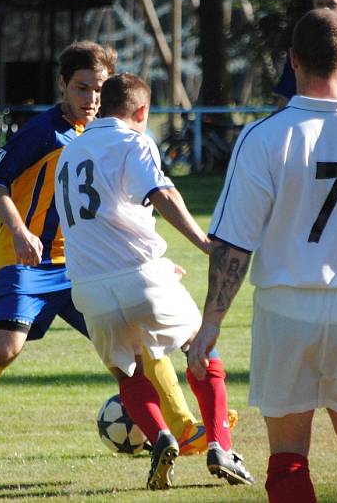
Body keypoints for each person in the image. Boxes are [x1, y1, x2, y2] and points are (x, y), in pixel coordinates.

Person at [188, 9, 337, 502]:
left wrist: (211, 323)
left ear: (292, 61)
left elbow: (233, 243)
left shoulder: (264, 137)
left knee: (288, 451)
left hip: (284, 306)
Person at [0, 41, 215, 459]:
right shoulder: (41, 132)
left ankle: (184, 429)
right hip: (27, 260)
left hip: (84, 263)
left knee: (133, 348)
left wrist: (146, 260)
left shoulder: (108, 134)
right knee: (5, 348)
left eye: (99, 90)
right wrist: (19, 231)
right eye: (82, 88)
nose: (91, 99)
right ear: (63, 85)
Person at [55, 72, 253, 490]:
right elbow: (163, 194)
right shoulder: (134, 141)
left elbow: (99, 222)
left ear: (103, 105)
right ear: (141, 111)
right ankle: (221, 446)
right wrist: (204, 243)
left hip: (88, 288)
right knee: (201, 350)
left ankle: (161, 436)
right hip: (141, 278)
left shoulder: (69, 155)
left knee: (128, 375)